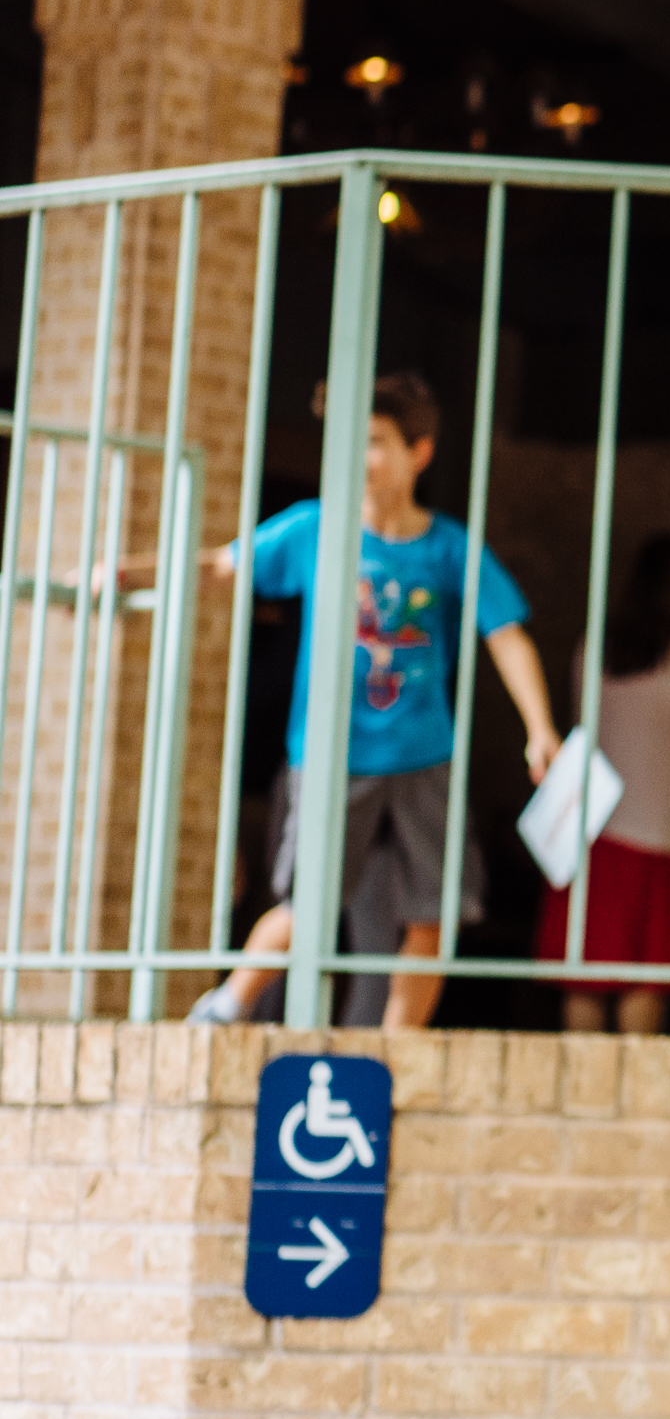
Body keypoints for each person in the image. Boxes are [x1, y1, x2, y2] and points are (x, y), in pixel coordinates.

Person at [191, 370, 558, 1030]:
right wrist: (123, 570)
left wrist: (540, 727)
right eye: (350, 441)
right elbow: (223, 564)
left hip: (424, 757)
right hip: (331, 755)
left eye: (378, 441)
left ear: (419, 453)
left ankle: (393, 1054)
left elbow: (506, 635)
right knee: (306, 904)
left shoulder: (448, 546)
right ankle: (222, 1010)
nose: (362, 458)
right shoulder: (316, 530)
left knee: (433, 913)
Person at [539, 532, 670, 1035]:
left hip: (590, 838)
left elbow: (581, 729)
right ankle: (629, 1096)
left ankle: (581, 1093)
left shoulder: (594, 649)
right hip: (665, 842)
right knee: (646, 980)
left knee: (585, 976)